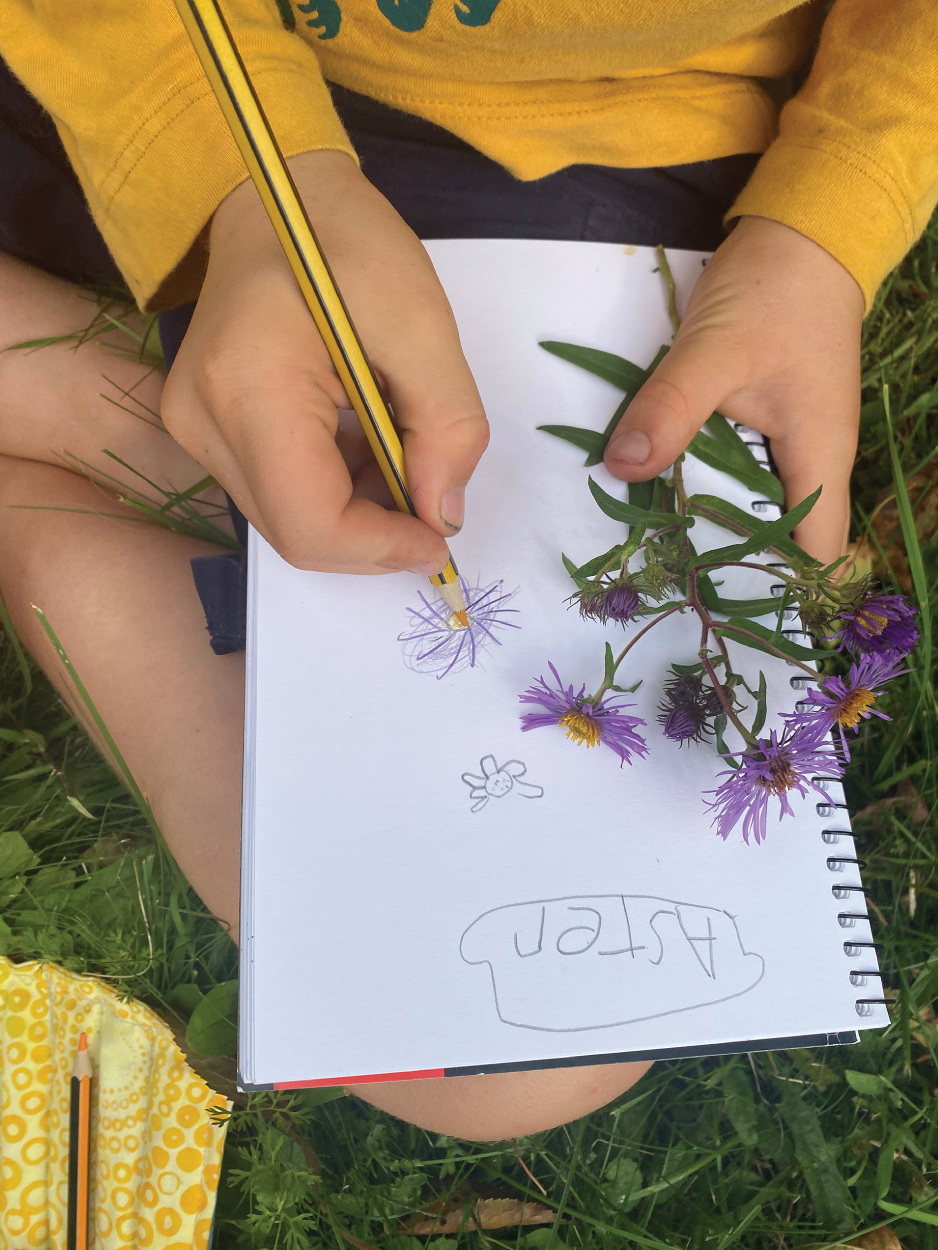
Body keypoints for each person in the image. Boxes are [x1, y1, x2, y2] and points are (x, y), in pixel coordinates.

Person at [0, 0, 935, 1139]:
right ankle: (164, 435)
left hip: (617, 147)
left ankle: (103, 462)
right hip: (133, 63)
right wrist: (233, 173)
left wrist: (828, 220)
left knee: (514, 1060)